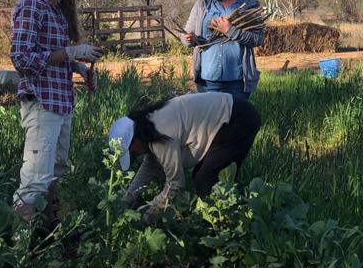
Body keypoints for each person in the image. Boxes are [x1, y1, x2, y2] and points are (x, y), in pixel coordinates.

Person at [10, 0, 102, 222]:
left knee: (56, 173)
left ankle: (48, 235)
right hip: (42, 102)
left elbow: (50, 54)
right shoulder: (31, 6)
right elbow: (22, 58)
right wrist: (71, 53)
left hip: (61, 102)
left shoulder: (59, 11)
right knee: (36, 180)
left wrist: (78, 67)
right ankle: (19, 248)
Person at [107, 92, 262, 219]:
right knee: (207, 179)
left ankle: (227, 224)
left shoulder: (160, 133)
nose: (135, 154)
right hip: (231, 113)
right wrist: (126, 200)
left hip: (237, 119)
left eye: (132, 151)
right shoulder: (149, 125)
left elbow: (175, 183)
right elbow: (149, 167)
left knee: (206, 181)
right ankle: (228, 216)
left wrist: (150, 214)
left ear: (135, 138)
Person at [183, 0, 265, 99]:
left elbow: (257, 39)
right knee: (210, 120)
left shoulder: (250, 6)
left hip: (238, 81)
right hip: (208, 80)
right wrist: (189, 39)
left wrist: (230, 30)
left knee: (235, 120)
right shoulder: (203, 5)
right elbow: (186, 35)